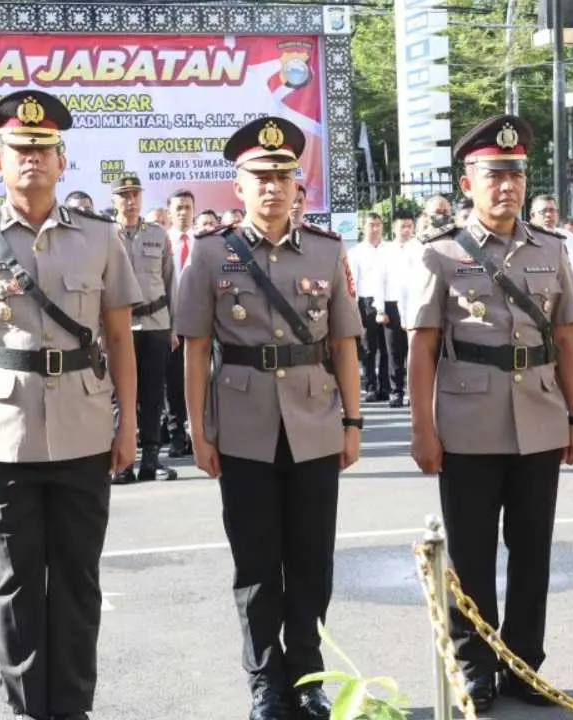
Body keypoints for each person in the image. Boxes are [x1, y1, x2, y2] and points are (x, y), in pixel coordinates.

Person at [0, 89, 142, 720]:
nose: (31, 159)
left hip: (84, 430)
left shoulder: (102, 239)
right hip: (3, 435)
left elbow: (120, 342)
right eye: (19, 149)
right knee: (17, 587)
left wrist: (127, 423)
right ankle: (27, 711)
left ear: (62, 161)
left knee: (78, 584)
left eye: (43, 149)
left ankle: (73, 709)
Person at [174, 115, 363, 720]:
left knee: (311, 557)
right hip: (244, 422)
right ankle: (264, 680)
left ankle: (307, 674)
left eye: (283, 175)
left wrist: (353, 423)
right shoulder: (208, 256)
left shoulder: (328, 252)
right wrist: (197, 428)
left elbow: (344, 346)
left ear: (296, 182)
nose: (273, 187)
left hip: (312, 419)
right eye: (260, 177)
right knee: (256, 562)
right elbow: (197, 348)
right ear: (239, 185)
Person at [406, 114, 573, 710]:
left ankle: (526, 664)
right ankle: (474, 665)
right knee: (472, 552)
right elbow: (423, 348)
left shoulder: (551, 249)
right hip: (467, 421)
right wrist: (423, 429)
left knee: (533, 548)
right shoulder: (438, 256)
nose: (506, 186)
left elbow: (566, 340)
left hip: (539, 415)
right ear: (467, 183)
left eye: (514, 174)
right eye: (493, 175)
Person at [110, 173, 180, 483]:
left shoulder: (157, 234)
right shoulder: (105, 235)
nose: (130, 200)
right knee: (119, 397)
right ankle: (122, 462)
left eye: (135, 194)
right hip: (118, 327)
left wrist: (174, 327)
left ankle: (151, 459)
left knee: (153, 395)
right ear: (114, 200)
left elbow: (170, 282)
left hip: (155, 324)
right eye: (124, 195)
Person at [372, 210, 419, 407]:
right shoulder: (385, 251)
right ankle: (396, 392)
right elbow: (379, 280)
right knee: (394, 352)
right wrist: (380, 309)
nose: (406, 230)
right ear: (394, 228)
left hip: (416, 304)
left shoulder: (420, 248)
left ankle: (413, 393)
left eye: (409, 226)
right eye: (402, 226)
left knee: (415, 351)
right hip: (392, 306)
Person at [164, 189, 197, 458]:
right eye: (178, 208)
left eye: (188, 207)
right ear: (169, 213)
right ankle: (176, 436)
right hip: (171, 324)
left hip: (202, 324)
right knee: (174, 385)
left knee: (203, 381)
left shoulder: (206, 243)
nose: (183, 213)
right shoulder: (162, 243)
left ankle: (200, 433)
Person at [348, 213, 390, 401]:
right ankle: (371, 386)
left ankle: (385, 387)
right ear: (363, 228)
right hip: (366, 303)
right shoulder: (356, 252)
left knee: (387, 346)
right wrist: (355, 308)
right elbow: (353, 283)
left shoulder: (390, 249)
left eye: (378, 225)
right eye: (371, 225)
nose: (375, 229)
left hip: (388, 301)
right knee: (368, 348)